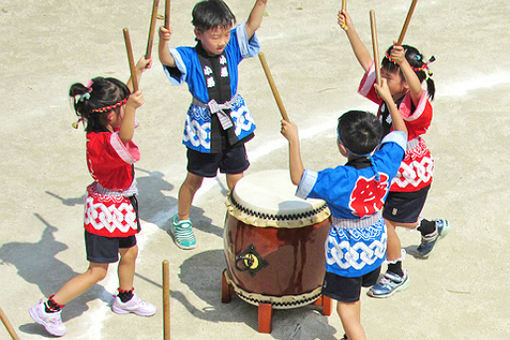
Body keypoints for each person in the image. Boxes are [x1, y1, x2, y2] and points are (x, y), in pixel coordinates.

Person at [29, 57, 156, 337]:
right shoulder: (104, 143)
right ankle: (48, 308)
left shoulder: (104, 127)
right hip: (106, 211)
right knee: (98, 271)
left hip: (120, 205)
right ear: (111, 114)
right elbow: (126, 134)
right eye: (124, 108)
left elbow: (122, 105)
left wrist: (136, 74)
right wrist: (132, 106)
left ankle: (124, 298)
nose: (128, 110)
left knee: (130, 251)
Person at [281, 76, 407, 339]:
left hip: (347, 253)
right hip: (374, 245)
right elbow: (401, 133)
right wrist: (388, 100)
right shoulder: (385, 162)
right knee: (353, 298)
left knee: (346, 310)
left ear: (341, 145)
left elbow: (298, 178)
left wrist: (294, 140)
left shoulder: (337, 179)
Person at [338, 9, 450, 298]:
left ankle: (397, 272)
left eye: (391, 73)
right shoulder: (387, 91)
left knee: (385, 221)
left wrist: (403, 65)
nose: (383, 76)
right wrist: (350, 29)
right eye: (385, 72)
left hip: (410, 173)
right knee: (399, 220)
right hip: (389, 166)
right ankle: (430, 228)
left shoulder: (414, 107)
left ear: (407, 79)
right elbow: (367, 62)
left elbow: (417, 90)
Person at [158, 0, 268, 250]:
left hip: (232, 125)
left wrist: (261, 2)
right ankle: (182, 220)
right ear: (198, 33)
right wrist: (163, 40)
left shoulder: (232, 48)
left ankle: (243, 223)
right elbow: (166, 59)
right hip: (204, 129)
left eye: (226, 34)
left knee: (237, 178)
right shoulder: (189, 55)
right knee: (194, 179)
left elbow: (252, 24)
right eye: (216, 36)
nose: (222, 41)